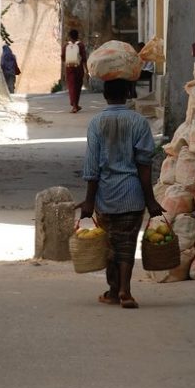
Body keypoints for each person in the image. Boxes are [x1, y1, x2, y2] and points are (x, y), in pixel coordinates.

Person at [79, 78, 162, 309]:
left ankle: (114, 290)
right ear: (128, 94)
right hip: (133, 194)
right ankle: (125, 290)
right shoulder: (139, 122)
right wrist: (151, 200)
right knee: (127, 243)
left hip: (106, 196)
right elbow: (145, 165)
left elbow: (92, 167)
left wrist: (89, 200)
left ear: (105, 96)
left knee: (109, 245)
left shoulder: (96, 124)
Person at [62, 29, 87, 113]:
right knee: (78, 87)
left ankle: (74, 105)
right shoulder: (81, 45)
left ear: (69, 36)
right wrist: (86, 70)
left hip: (69, 68)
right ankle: (75, 105)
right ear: (77, 36)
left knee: (71, 86)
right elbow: (84, 58)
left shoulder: (66, 45)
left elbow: (62, 57)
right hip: (78, 68)